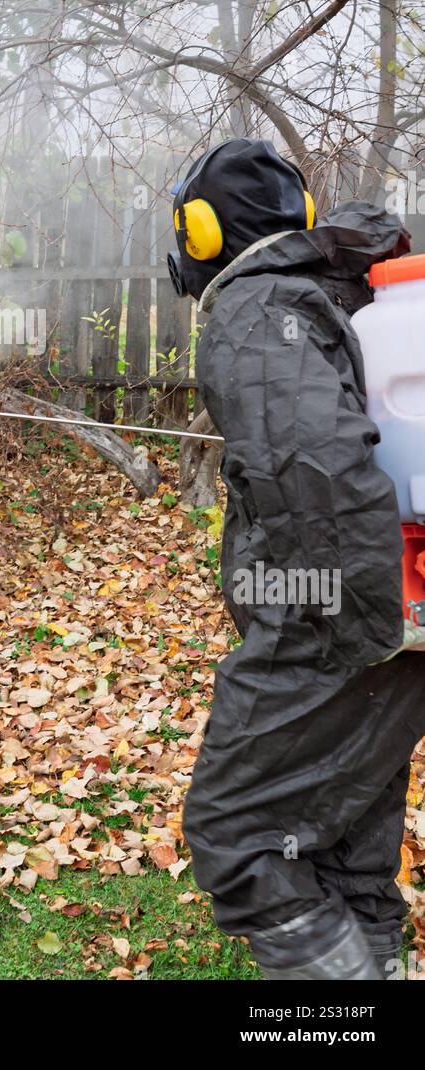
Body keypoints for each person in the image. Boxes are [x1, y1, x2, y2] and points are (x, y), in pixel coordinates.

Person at [168, 136, 425, 981]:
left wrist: (349, 631)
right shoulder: (331, 294)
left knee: (234, 832)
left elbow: (312, 463)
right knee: (344, 829)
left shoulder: (254, 309)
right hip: (398, 612)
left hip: (343, 617)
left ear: (199, 233)